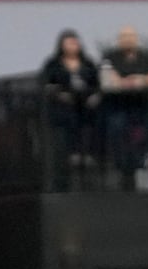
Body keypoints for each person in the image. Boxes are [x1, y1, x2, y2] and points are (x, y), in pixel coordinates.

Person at [98, 25, 148, 188]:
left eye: (131, 36)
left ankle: (138, 161)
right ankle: (124, 168)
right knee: (115, 128)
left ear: (136, 39)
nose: (128, 39)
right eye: (124, 36)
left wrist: (139, 81)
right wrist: (132, 82)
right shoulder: (111, 57)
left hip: (145, 106)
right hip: (118, 106)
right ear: (119, 40)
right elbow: (108, 79)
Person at [40, 29, 102, 173]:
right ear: (62, 45)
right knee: (69, 117)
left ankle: (90, 153)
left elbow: (97, 83)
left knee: (94, 117)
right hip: (63, 103)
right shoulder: (53, 64)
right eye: (69, 43)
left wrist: (95, 96)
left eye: (75, 43)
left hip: (86, 102)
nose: (73, 46)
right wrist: (59, 94)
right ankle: (73, 152)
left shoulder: (88, 63)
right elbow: (47, 83)